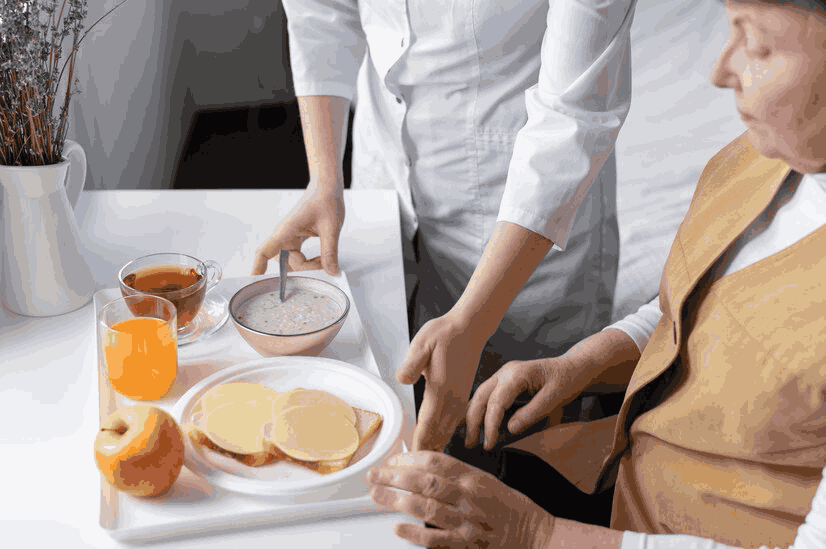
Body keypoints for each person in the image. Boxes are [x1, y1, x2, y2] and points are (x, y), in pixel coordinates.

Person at [364, 0, 826, 547]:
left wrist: (536, 533)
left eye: (756, 44)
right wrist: (585, 362)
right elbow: (700, 299)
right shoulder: (767, 157)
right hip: (624, 476)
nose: (719, 71)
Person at [252, 0, 639, 455]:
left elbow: (572, 115)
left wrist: (472, 321)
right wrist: (324, 178)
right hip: (382, 183)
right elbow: (321, 12)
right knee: (382, 418)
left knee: (512, 447)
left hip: (519, 221)